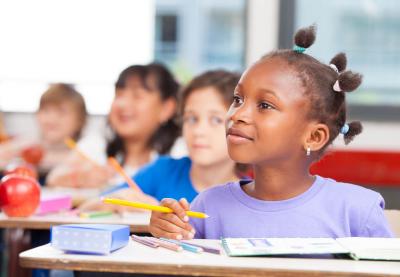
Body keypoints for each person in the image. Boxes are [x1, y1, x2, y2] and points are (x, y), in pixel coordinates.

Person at [148, 25, 394, 240]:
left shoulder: (358, 212)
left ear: (314, 137)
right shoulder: (206, 206)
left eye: (265, 105)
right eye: (237, 99)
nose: (236, 114)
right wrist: (168, 233)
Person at [80, 70, 245, 212]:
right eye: (191, 119)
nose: (198, 131)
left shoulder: (251, 190)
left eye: (216, 120)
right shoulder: (163, 170)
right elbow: (87, 208)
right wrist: (121, 199)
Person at [46, 63, 180, 190]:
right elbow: (52, 179)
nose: (122, 104)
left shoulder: (179, 152)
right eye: (119, 95)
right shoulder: (98, 144)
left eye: (137, 96)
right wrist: (80, 178)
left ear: (166, 108)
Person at [0, 83, 87, 172]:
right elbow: (5, 150)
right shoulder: (32, 141)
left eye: (61, 113)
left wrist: (40, 158)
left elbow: (82, 160)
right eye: (46, 111)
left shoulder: (84, 145)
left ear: (80, 120)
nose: (51, 119)